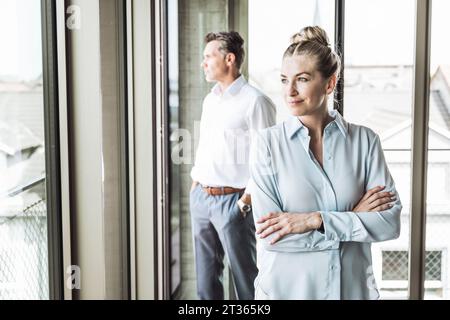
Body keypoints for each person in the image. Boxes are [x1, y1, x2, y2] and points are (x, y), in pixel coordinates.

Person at [249, 26, 402, 300]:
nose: (290, 91)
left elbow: (389, 224)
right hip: (287, 291)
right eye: (285, 80)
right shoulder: (267, 145)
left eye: (303, 79)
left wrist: (314, 220)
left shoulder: (365, 142)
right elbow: (272, 237)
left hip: (352, 291)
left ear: (329, 83)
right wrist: (354, 219)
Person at [190, 31, 277, 300]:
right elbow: (206, 147)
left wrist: (245, 202)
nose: (202, 63)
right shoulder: (210, 100)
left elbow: (267, 160)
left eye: (208, 56)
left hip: (234, 202)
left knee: (245, 281)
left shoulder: (256, 101)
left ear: (229, 58)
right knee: (205, 284)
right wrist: (195, 185)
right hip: (201, 198)